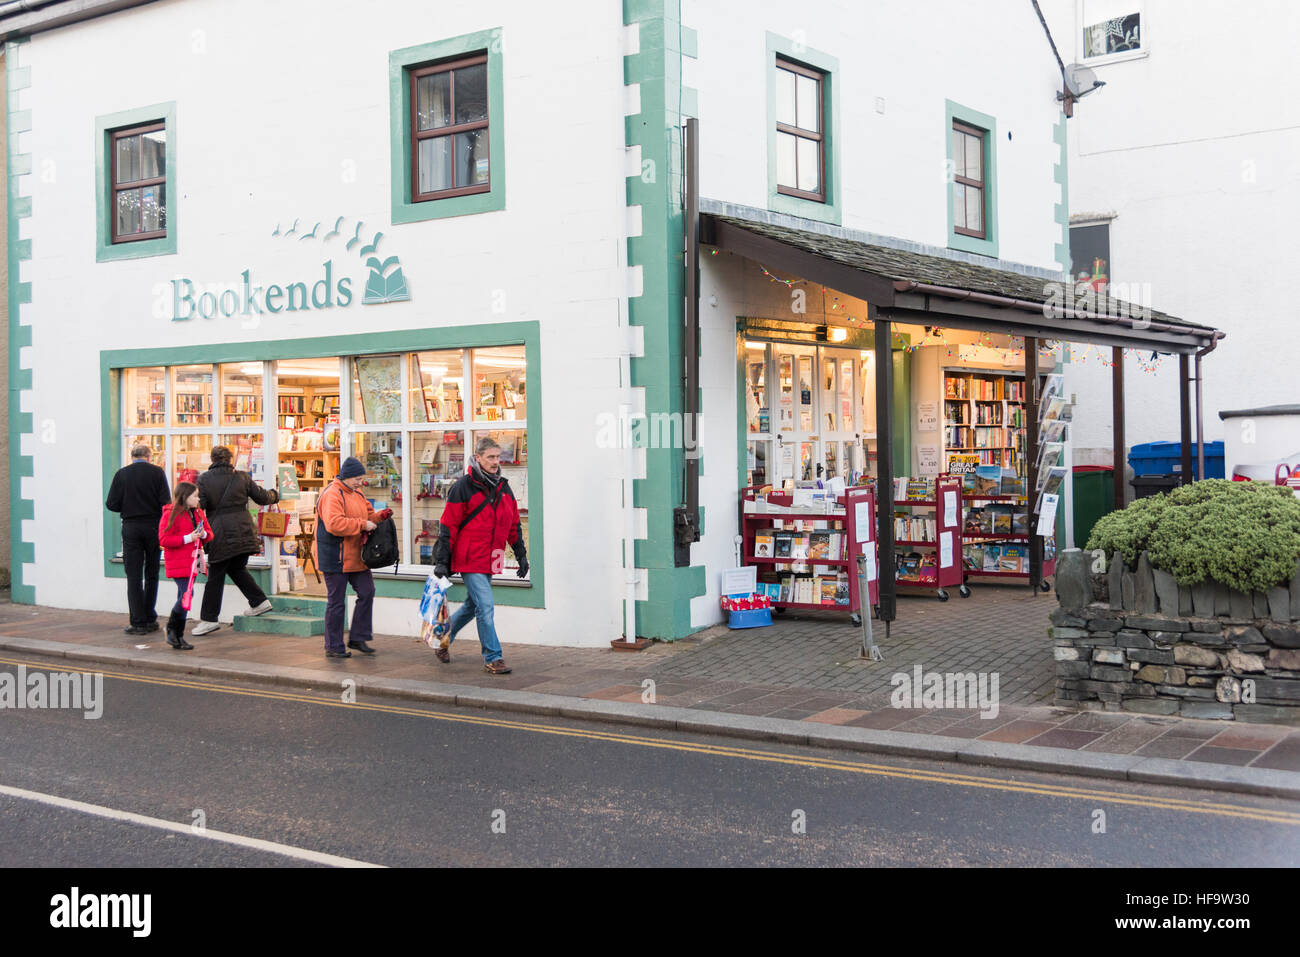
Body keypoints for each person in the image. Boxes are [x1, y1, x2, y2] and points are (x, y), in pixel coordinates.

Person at [434, 436, 528, 675]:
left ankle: (443, 639)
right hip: (469, 558)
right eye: (491, 457)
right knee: (485, 606)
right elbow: (448, 526)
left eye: (498, 457)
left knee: (473, 604)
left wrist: (521, 556)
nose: (496, 462)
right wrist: (443, 561)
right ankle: (493, 657)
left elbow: (513, 525)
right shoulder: (462, 487)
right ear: (478, 458)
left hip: (492, 556)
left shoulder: (503, 487)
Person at [194, 445, 280, 635]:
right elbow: (262, 497)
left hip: (220, 534)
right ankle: (259, 601)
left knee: (215, 577)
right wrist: (275, 495)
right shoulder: (241, 477)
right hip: (244, 531)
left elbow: (201, 507)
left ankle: (209, 619)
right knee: (236, 568)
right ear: (230, 459)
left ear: (212, 460)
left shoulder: (204, 480)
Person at [313, 456, 392, 659]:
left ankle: (358, 637)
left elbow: (367, 516)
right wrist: (362, 525)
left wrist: (380, 516)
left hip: (356, 556)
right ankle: (333, 645)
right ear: (346, 477)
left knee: (367, 591)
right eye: (357, 478)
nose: (360, 482)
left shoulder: (356, 493)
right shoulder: (332, 494)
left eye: (360, 478)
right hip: (335, 557)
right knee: (337, 602)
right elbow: (334, 524)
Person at [106, 444, 171, 635]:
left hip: (131, 526)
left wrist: (128, 506)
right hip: (153, 526)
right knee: (152, 573)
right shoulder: (157, 473)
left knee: (133, 575)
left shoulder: (122, 474)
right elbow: (165, 501)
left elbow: (111, 503)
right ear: (149, 456)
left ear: (132, 456)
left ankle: (137, 621)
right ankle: (150, 617)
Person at [157, 481, 213, 650]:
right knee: (187, 594)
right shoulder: (170, 514)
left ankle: (177, 636)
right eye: (194, 496)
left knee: (185, 596)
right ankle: (172, 629)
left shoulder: (198, 513)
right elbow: (163, 539)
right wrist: (188, 538)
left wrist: (203, 534)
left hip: (193, 560)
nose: (198, 499)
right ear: (184, 497)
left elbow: (209, 534)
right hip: (178, 561)